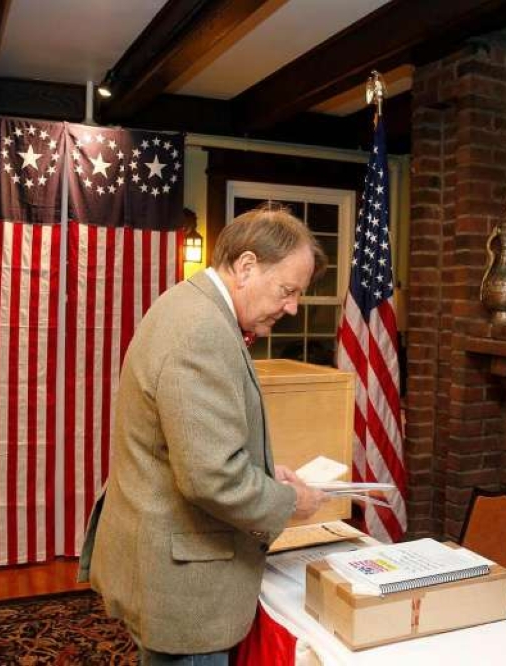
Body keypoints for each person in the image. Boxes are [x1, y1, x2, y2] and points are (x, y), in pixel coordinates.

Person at [79, 205, 329, 665]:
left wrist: (265, 473)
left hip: (161, 556)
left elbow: (195, 446)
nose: (293, 307)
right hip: (186, 589)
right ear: (247, 266)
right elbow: (212, 477)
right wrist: (291, 501)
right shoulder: (202, 331)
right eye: (288, 291)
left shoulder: (189, 303)